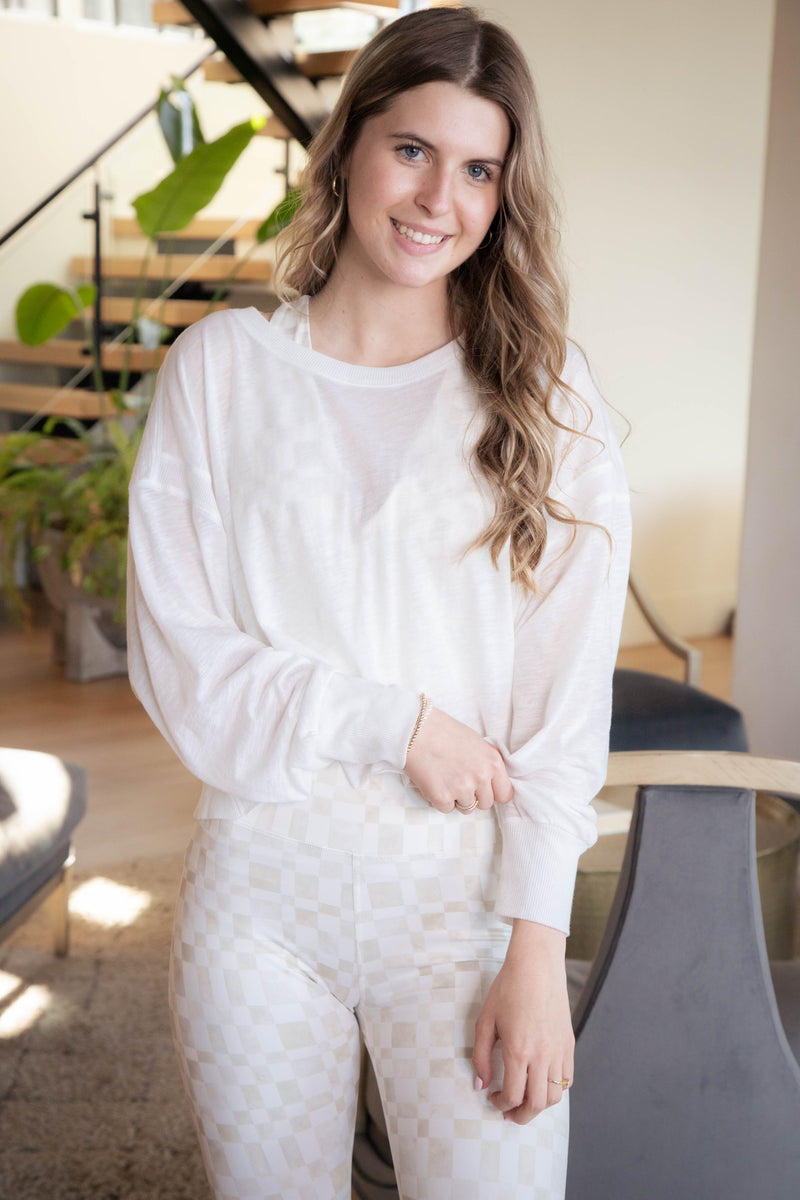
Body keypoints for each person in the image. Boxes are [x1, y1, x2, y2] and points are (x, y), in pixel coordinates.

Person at [127, 6, 631, 1198]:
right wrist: (392, 722)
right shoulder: (221, 371)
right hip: (257, 900)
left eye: (477, 170)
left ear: (503, 193)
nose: (436, 199)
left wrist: (535, 947)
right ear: (349, 143)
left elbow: (563, 705)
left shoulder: (546, 398)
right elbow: (180, 659)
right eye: (410, 150)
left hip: (464, 908)